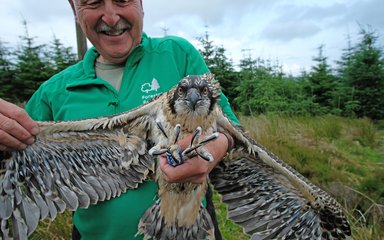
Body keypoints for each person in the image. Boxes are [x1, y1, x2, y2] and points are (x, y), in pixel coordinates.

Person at [0, 0, 239, 239]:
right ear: (75, 9)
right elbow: (13, 163)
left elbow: (231, 128)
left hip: (190, 228)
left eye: (122, 0)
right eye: (93, 2)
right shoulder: (54, 93)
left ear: (141, 4)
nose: (111, 18)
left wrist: (217, 146)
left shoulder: (177, 55)